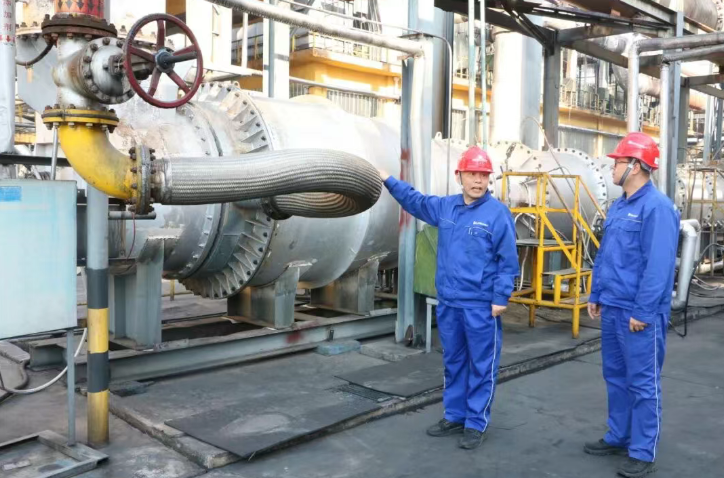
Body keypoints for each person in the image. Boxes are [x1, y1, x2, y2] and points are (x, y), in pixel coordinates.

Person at [380, 146, 519, 450]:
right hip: (450, 303)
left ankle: (475, 422)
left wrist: (501, 296)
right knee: (453, 361)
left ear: (489, 179)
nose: (478, 180)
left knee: (482, 365)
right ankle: (455, 415)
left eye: (483, 175)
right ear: (459, 176)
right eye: (472, 174)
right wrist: (388, 180)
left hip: (480, 306)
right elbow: (415, 201)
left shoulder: (497, 214)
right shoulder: (446, 207)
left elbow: (508, 260)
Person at [585, 132, 680, 478]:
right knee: (615, 376)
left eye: (618, 162)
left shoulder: (657, 208)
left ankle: (642, 451)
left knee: (642, 383)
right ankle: (619, 435)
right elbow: (607, 255)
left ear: (636, 166)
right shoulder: (620, 206)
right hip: (613, 307)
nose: (612, 167)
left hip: (638, 313)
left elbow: (659, 267)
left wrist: (643, 311)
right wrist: (596, 293)